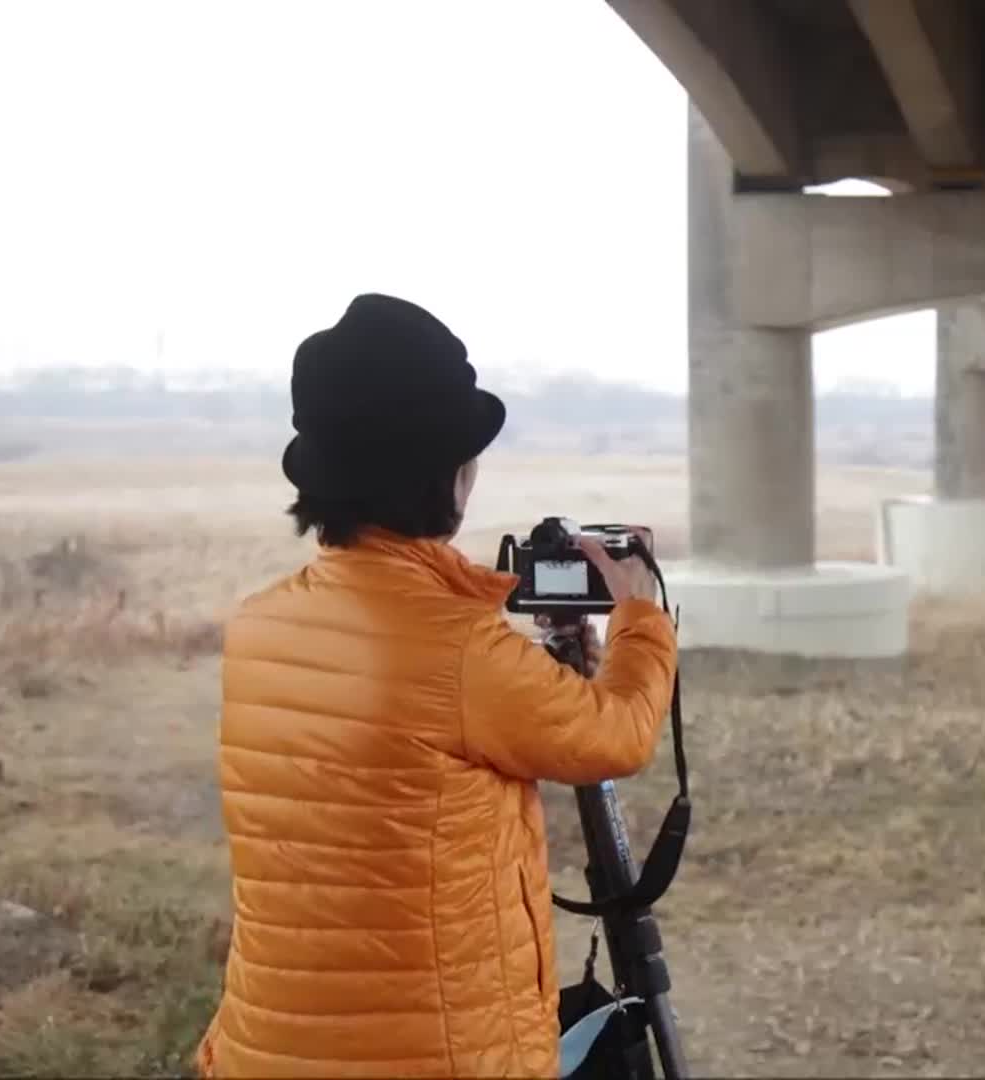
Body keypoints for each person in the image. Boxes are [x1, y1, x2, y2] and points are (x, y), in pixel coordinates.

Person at [192, 293, 679, 1077]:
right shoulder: (457, 649)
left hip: (272, 1047)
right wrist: (639, 612)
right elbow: (616, 735)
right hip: (430, 1055)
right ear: (442, 474)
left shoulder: (261, 623)